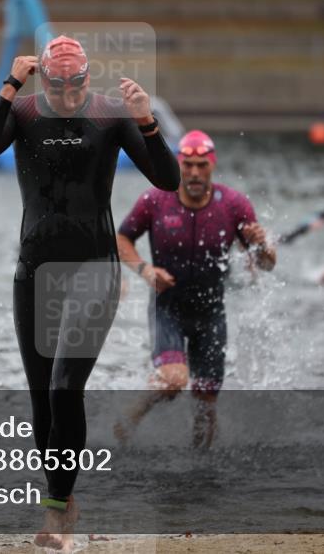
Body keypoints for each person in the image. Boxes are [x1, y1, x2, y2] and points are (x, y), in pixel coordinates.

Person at [0, 35, 179, 550]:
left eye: (77, 84)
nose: (68, 95)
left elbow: (167, 179)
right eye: (58, 85)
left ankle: (57, 511)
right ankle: (63, 496)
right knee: (43, 396)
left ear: (88, 76)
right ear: (43, 79)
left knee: (65, 386)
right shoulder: (23, 112)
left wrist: (147, 121)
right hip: (35, 272)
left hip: (95, 270)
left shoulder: (111, 114)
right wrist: (9, 86)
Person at [114, 130, 276, 450]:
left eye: (202, 165)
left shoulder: (234, 205)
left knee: (205, 405)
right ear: (179, 164)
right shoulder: (155, 200)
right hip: (167, 308)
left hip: (211, 313)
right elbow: (121, 239)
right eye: (188, 165)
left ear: (212, 165)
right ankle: (131, 415)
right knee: (174, 381)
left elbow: (266, 265)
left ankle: (199, 469)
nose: (195, 173)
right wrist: (145, 270)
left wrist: (262, 246)